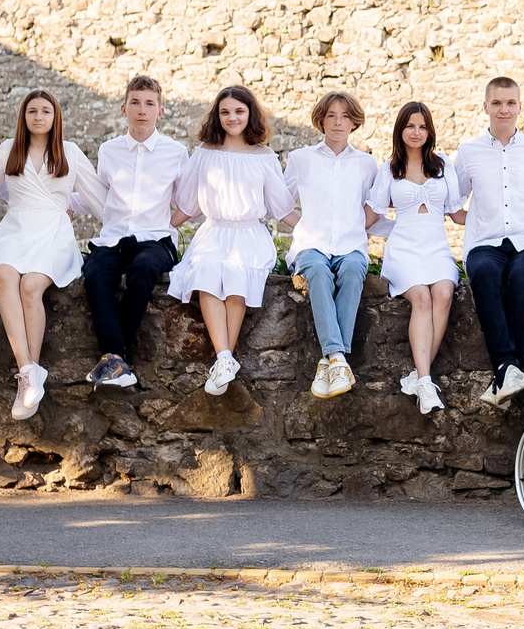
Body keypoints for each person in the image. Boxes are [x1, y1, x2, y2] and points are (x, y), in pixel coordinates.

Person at [0, 89, 105, 421]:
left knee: (31, 286)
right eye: (32, 110)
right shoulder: (8, 150)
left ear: (55, 116)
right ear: (23, 116)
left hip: (53, 232)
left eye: (45, 111)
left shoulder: (71, 152)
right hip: (14, 228)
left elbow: (99, 201)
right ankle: (29, 373)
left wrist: (72, 207)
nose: (38, 116)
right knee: (6, 275)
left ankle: (29, 373)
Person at [168, 84, 298, 396]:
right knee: (207, 274)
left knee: (237, 277)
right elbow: (187, 204)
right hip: (214, 232)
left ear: (250, 114)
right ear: (217, 115)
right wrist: (156, 229)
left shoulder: (264, 156)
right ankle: (225, 358)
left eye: (239, 111)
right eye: (225, 112)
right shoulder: (204, 153)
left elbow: (282, 207)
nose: (232, 117)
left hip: (248, 234)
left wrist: (314, 232)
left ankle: (225, 360)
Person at [449, 77, 524, 409]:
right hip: (486, 241)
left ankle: (506, 372)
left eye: (510, 102)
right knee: (482, 272)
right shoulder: (468, 152)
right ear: (485, 107)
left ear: (520, 107)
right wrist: (478, 218)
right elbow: (453, 202)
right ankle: (506, 366)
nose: (504, 109)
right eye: (497, 103)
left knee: (522, 277)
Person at [82, 75, 186, 390]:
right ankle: (117, 359)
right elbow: (99, 192)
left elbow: (188, 201)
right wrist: (63, 200)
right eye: (136, 103)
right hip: (113, 237)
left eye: (149, 104)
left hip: (154, 240)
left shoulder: (176, 151)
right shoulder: (109, 150)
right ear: (123, 108)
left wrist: (168, 224)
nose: (142, 110)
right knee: (95, 274)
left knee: (144, 270)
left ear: (160, 111)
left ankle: (114, 355)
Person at [284, 91, 388, 398]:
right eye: (331, 115)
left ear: (354, 122)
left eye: (345, 116)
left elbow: (374, 207)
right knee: (317, 270)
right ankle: (338, 357)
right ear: (321, 120)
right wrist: (302, 224)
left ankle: (329, 359)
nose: (338, 122)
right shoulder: (301, 159)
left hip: (349, 244)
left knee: (355, 268)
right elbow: (279, 203)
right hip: (310, 244)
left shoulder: (367, 164)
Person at [375, 101, 462, 416]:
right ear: (401, 130)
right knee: (422, 300)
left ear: (430, 131)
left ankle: (418, 376)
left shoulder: (443, 166)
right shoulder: (388, 169)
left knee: (443, 293)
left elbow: (458, 213)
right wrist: (396, 227)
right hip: (404, 249)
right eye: (410, 126)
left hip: (436, 246)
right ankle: (425, 381)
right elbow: (371, 217)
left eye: (422, 126)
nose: (416, 132)